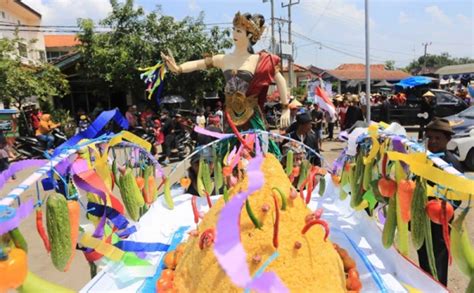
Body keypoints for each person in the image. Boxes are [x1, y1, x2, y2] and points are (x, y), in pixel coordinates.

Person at [161, 12, 291, 157]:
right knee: (230, 155)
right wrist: (178, 68)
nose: (234, 33)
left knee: (257, 154)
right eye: (234, 29)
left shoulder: (259, 59)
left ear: (249, 35)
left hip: (252, 117)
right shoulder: (224, 59)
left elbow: (280, 79)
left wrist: (286, 107)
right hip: (230, 118)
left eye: (239, 31)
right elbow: (199, 64)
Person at [417, 118, 463, 286]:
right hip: (422, 218)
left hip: (440, 222)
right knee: (423, 254)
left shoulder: (452, 163)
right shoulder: (423, 159)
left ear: (447, 140)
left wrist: (443, 208)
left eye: (438, 138)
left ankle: (438, 288)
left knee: (438, 259)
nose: (433, 141)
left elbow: (457, 196)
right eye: (430, 137)